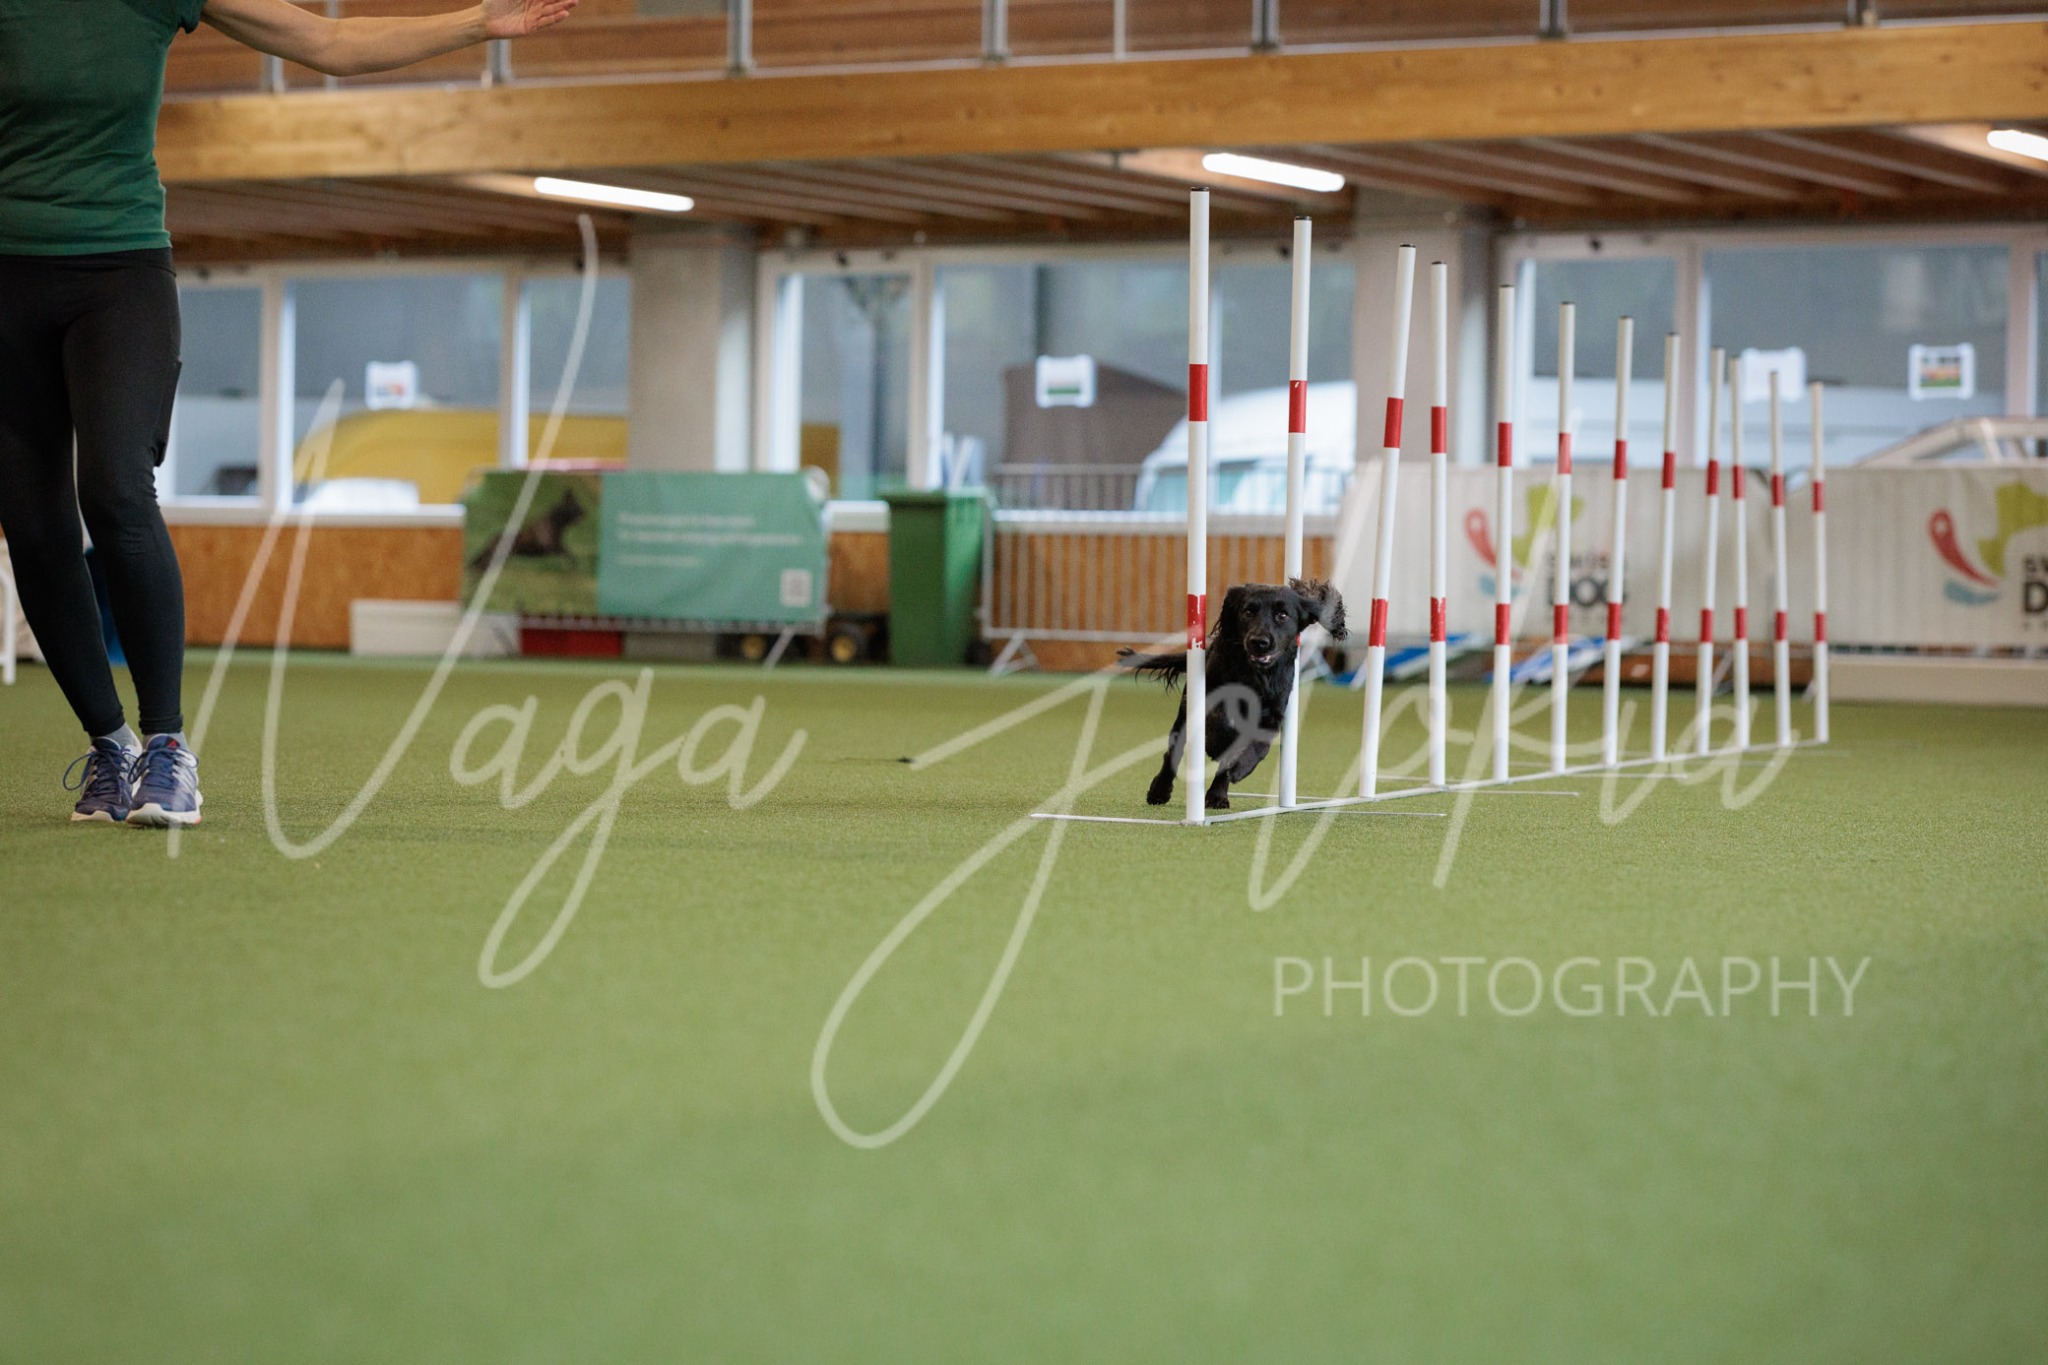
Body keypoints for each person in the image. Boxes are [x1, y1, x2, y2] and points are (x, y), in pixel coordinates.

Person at [0, 0, 577, 825]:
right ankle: (109, 745)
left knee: (116, 490)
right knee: (33, 525)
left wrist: (479, 21)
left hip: (119, 275)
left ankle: (167, 747)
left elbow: (326, 39)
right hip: (8, 283)